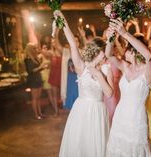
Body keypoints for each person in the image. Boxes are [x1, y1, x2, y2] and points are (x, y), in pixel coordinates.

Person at [54, 11, 113, 157]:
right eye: (102, 51)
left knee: (96, 146)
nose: (105, 54)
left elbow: (110, 93)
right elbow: (73, 45)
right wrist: (63, 22)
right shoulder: (82, 67)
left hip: (98, 111)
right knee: (80, 144)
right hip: (81, 110)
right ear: (96, 51)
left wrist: (98, 74)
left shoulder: (106, 69)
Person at [105, 18, 151, 156]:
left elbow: (148, 55)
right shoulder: (125, 67)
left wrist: (125, 33)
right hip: (120, 115)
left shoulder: (147, 71)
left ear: (136, 51)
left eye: (128, 48)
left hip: (136, 118)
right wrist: (111, 36)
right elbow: (108, 54)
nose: (125, 51)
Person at [24, 43, 47, 120]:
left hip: (38, 78)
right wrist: (41, 67)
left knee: (39, 97)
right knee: (34, 98)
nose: (36, 49)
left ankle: (40, 113)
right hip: (33, 79)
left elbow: (37, 69)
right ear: (30, 49)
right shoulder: (28, 59)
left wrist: (42, 67)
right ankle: (36, 114)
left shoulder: (35, 57)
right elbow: (30, 71)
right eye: (34, 48)